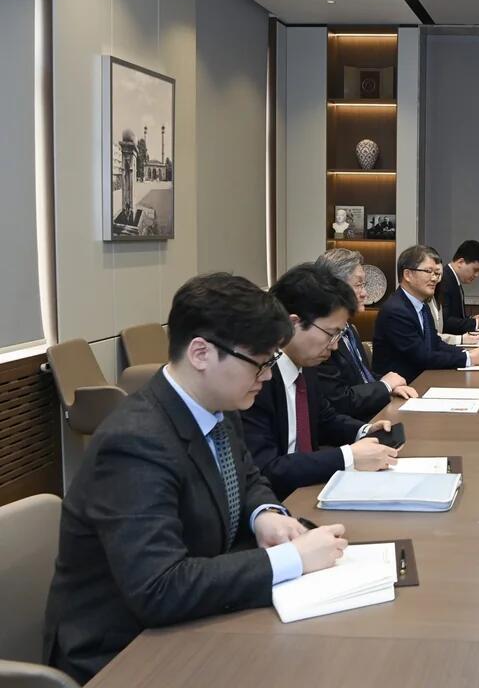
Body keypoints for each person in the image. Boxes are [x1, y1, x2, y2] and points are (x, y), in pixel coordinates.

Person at [43, 273, 350, 684]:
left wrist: (265, 514)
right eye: (260, 362)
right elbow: (159, 587)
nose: (267, 375)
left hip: (195, 620)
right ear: (201, 353)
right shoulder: (134, 443)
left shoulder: (219, 405)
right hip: (123, 651)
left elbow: (249, 477)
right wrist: (291, 559)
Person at [242, 263, 404, 499]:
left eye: (339, 335)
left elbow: (324, 419)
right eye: (331, 334)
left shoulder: (306, 364)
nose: (335, 346)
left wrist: (365, 431)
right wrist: (348, 457)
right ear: (293, 324)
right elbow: (267, 469)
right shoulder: (257, 379)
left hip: (312, 489)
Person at [314, 248, 418, 420]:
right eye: (358, 285)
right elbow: (340, 400)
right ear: (333, 288)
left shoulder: (349, 329)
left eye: (364, 285)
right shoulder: (321, 338)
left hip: (372, 413)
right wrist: (384, 386)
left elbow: (363, 377)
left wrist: (389, 386)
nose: (365, 293)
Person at [373, 245, 479, 381]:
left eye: (437, 273)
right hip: (403, 386)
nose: (435, 279)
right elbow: (422, 357)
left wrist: (468, 353)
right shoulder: (396, 311)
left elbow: (435, 343)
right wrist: (468, 358)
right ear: (408, 275)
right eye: (429, 271)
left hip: (421, 379)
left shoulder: (421, 306)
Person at [438, 239, 479, 333]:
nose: (477, 275)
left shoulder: (453, 279)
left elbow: (455, 317)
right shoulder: (443, 280)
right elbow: (444, 322)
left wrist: (471, 319)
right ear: (460, 262)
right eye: (475, 270)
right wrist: (477, 323)